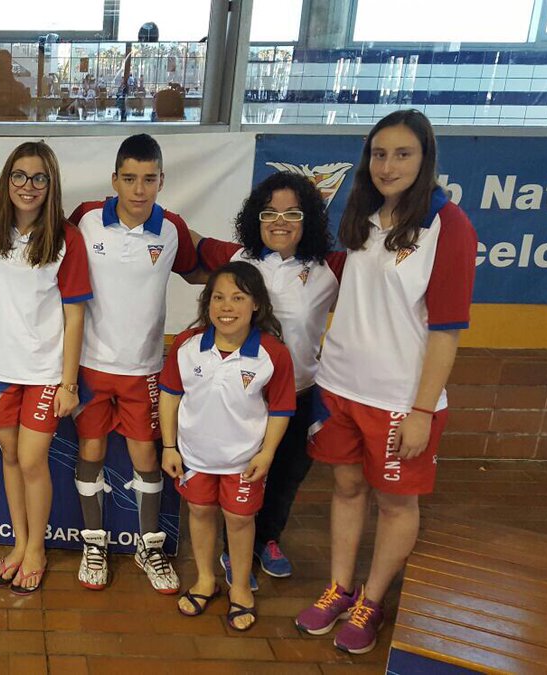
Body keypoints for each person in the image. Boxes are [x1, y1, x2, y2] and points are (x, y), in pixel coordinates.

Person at [293, 109, 477, 654]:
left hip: (399, 400)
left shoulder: (449, 226)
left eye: (402, 154)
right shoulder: (362, 217)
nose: (387, 165)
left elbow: (446, 331)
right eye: (378, 154)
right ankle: (339, 587)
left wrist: (421, 410)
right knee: (347, 489)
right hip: (340, 386)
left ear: (425, 159)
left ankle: (371, 600)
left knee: (395, 504)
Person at [191, 171, 344, 588]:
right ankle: (232, 549)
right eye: (270, 213)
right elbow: (188, 244)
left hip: (298, 395)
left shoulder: (327, 268)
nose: (280, 221)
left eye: (292, 213)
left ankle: (269, 539)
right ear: (255, 219)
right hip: (245, 397)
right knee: (240, 474)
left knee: (286, 474)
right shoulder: (238, 259)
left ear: (308, 219)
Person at [66, 134, 198, 594]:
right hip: (90, 366)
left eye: (148, 180)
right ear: (114, 180)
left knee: (146, 456)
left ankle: (150, 546)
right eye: (129, 179)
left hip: (144, 370)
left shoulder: (171, 228)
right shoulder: (85, 219)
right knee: (92, 452)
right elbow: (40, 247)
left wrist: (251, 258)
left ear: (162, 180)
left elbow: (208, 262)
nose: (139, 190)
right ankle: (94, 542)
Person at [0, 141, 90, 595]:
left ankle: (37, 549)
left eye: (38, 177)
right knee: (9, 456)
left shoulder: (66, 239)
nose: (28, 185)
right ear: (7, 181)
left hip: (45, 371)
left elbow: (76, 315)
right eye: (19, 176)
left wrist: (69, 382)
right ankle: (20, 544)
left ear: (51, 184)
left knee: (30, 458)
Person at [158, 261, 296, 632]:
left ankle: (239, 589)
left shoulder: (273, 354)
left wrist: (266, 453)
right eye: (218, 297)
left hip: (243, 461)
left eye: (238, 297)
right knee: (200, 513)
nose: (227, 306)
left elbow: (282, 408)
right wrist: (169, 447)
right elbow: (169, 396)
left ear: (256, 305)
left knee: (238, 519)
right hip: (194, 457)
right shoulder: (187, 346)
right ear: (207, 302)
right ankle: (205, 580)